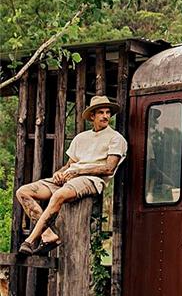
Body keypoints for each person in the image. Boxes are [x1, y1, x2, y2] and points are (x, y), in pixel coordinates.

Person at [16, 94, 128, 255]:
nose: (105, 116)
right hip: (70, 177)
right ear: (92, 116)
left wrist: (78, 171)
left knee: (59, 195)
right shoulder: (80, 138)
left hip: (90, 179)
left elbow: (109, 168)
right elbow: (69, 165)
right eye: (101, 113)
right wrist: (59, 174)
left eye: (108, 113)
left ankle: (30, 241)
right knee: (23, 192)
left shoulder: (116, 138)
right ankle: (48, 235)